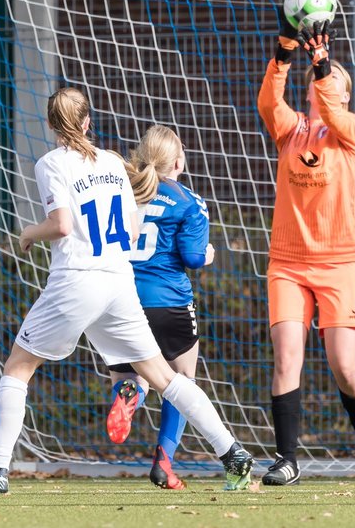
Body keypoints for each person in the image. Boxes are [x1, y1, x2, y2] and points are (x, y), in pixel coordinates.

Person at [0, 88, 254, 495]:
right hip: (118, 279)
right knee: (166, 377)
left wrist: (29, 233)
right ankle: (232, 453)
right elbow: (130, 229)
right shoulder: (114, 161)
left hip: (77, 278)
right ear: (87, 122)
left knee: (18, 369)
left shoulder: (51, 163)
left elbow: (60, 225)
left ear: (51, 124)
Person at [255, 9, 355, 486]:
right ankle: (286, 459)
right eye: (321, 83)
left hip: (339, 264)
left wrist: (327, 65)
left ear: (344, 96)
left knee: (343, 364)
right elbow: (270, 102)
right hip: (288, 263)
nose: (325, 89)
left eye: (334, 86)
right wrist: (284, 53)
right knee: (287, 357)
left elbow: (334, 109)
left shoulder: (349, 133)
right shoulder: (290, 131)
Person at [104, 125, 215, 490]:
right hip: (169, 303)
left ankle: (131, 394)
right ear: (179, 161)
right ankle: (164, 463)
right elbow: (194, 257)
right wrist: (209, 254)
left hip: (121, 300)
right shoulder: (188, 201)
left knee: (131, 375)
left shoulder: (121, 194)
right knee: (181, 381)